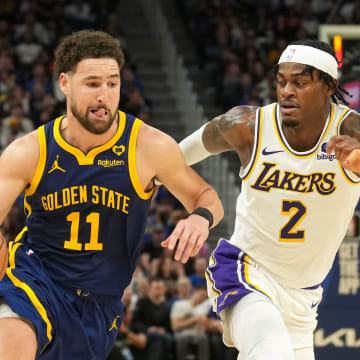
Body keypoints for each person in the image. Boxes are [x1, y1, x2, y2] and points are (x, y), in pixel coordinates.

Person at [0, 30, 224, 360]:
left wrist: (199, 220)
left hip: (100, 303)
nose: (104, 95)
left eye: (112, 83)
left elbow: (207, 197)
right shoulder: (29, 151)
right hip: (37, 277)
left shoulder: (148, 147)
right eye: (92, 84)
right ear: (65, 83)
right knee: (11, 337)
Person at [178, 39, 360, 360]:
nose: (286, 90)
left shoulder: (353, 132)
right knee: (271, 351)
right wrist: (143, 178)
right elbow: (177, 156)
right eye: (281, 81)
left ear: (329, 86)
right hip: (247, 271)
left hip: (303, 300)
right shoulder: (248, 126)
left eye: (300, 82)